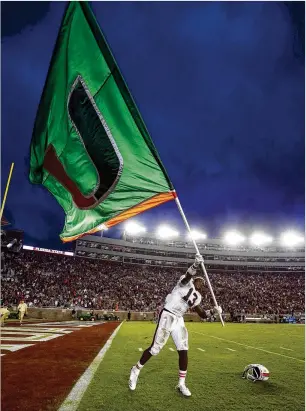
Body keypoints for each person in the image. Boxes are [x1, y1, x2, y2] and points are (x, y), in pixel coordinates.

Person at [129, 254, 222, 397]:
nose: (200, 283)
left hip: (179, 319)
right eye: (199, 280)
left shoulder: (198, 297)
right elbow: (186, 277)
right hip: (168, 315)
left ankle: (181, 383)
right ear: (195, 279)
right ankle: (136, 369)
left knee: (183, 349)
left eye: (202, 283)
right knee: (155, 348)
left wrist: (214, 312)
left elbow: (202, 314)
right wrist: (195, 265)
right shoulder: (184, 282)